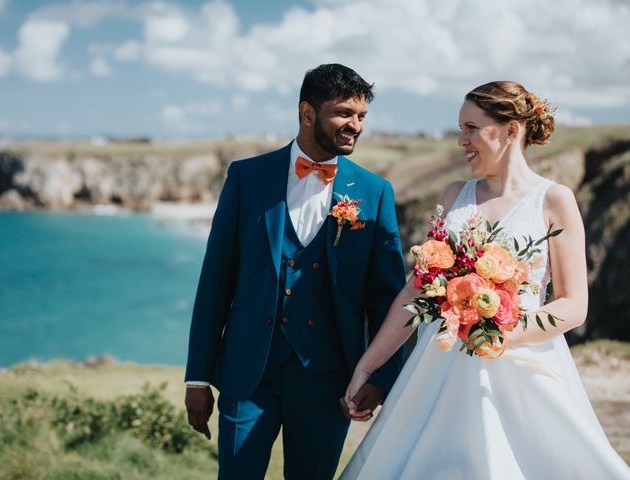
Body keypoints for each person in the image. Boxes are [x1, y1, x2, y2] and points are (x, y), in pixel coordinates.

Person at [340, 81, 630, 479]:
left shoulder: (554, 199)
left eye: (471, 128)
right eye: (461, 129)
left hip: (522, 373)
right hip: (437, 369)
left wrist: (497, 334)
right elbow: (416, 290)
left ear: (511, 130)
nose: (462, 141)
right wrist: (366, 367)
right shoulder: (455, 193)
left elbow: (573, 305)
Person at [184, 63, 407, 479]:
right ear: (308, 113)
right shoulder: (247, 177)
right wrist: (197, 378)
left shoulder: (374, 193)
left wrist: (382, 375)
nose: (355, 126)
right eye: (344, 113)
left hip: (328, 378)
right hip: (247, 375)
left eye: (361, 116)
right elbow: (216, 278)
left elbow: (387, 296)